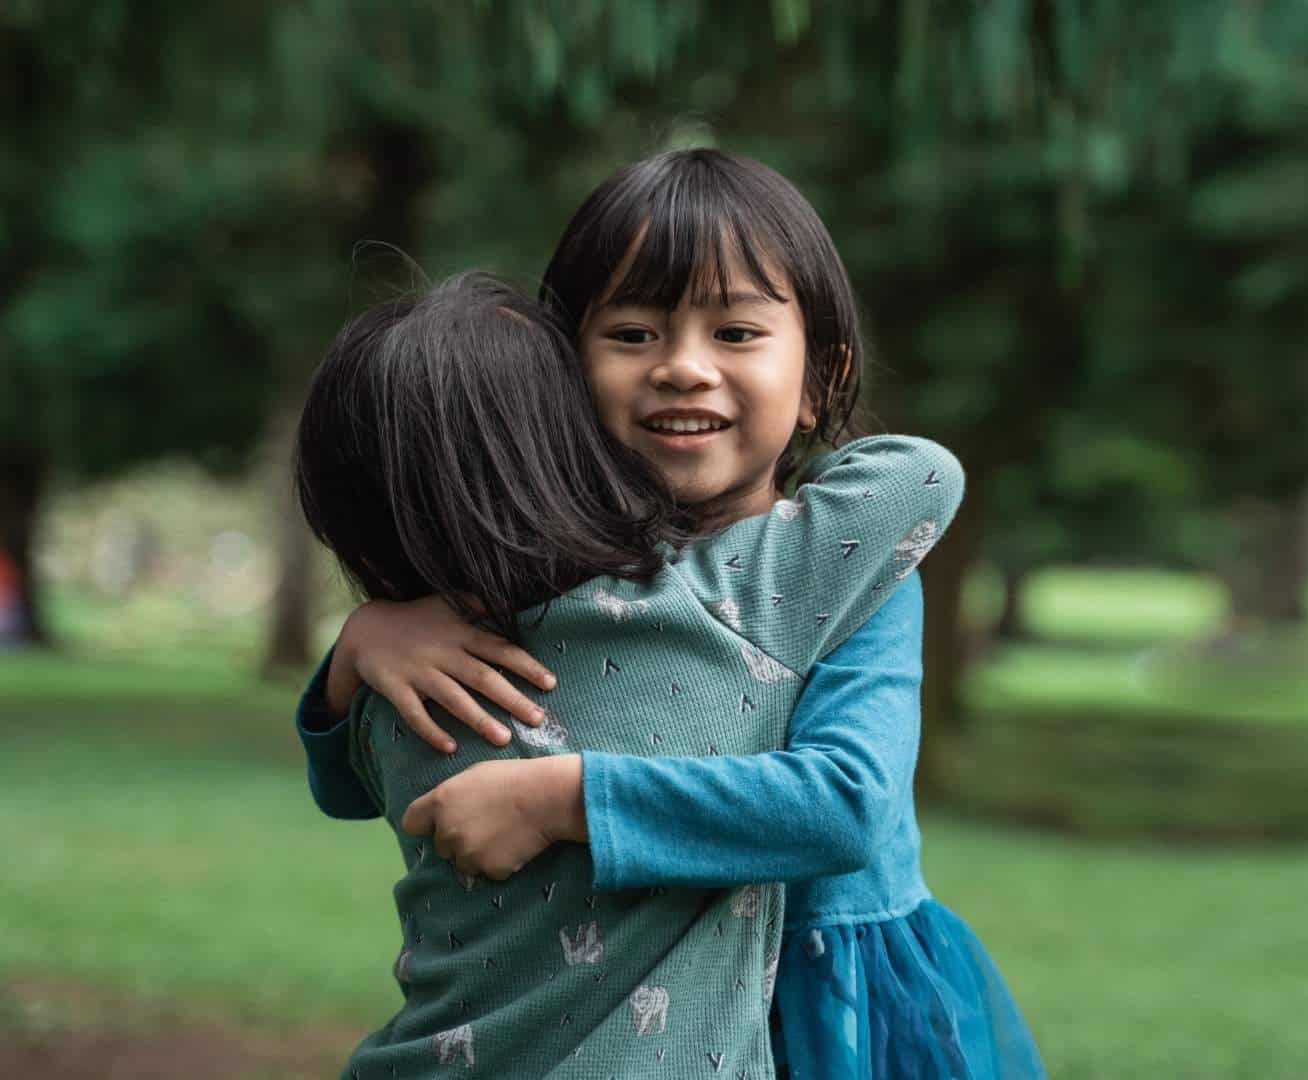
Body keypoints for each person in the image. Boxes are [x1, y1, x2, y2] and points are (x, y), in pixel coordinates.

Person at [296, 149, 1044, 1078]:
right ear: (561, 376)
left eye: (736, 333)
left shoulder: (847, 567)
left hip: (830, 990)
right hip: (656, 993)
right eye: (634, 334)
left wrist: (563, 797)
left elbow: (846, 800)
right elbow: (367, 784)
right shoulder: (545, 579)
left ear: (816, 381)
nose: (684, 369)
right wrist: (360, 647)